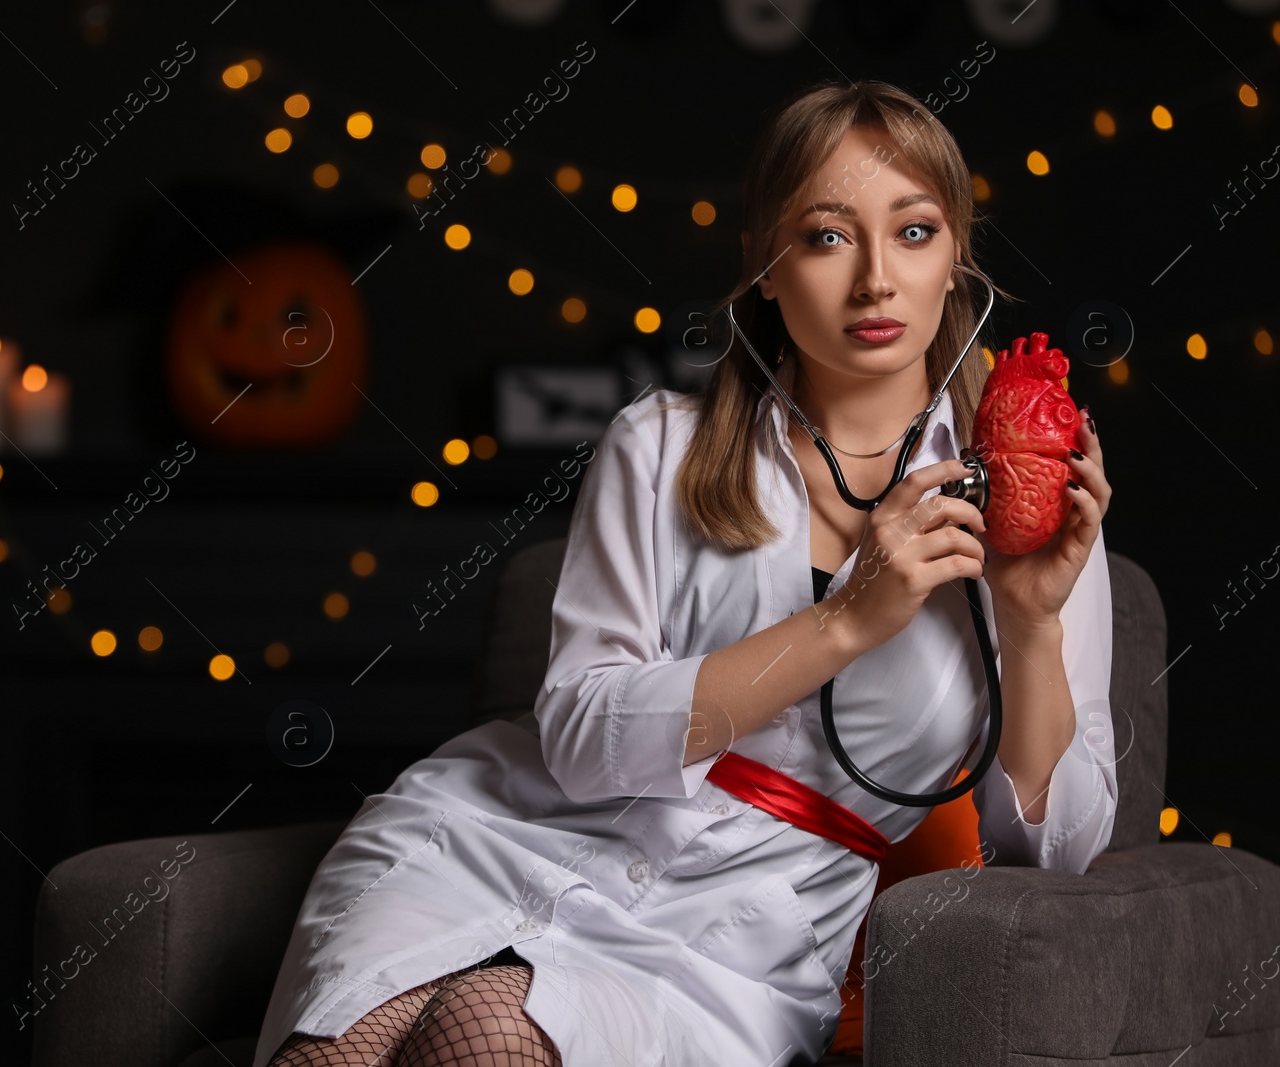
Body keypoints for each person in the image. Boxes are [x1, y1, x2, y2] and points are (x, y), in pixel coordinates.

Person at [254, 78, 1118, 1067]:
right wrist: (846, 619)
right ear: (764, 266)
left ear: (954, 260)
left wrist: (1031, 622)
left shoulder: (1018, 490)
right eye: (828, 235)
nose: (876, 279)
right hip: (491, 838)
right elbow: (580, 738)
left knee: (483, 1033)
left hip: (735, 943)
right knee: (333, 1052)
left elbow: (1056, 853)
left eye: (913, 232)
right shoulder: (657, 446)